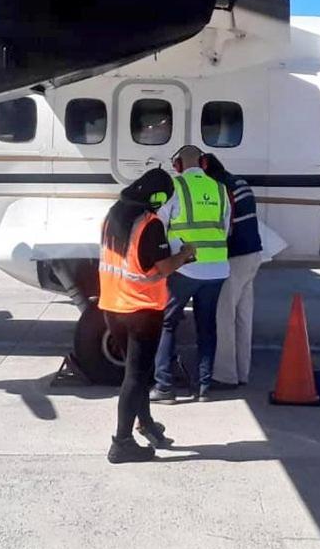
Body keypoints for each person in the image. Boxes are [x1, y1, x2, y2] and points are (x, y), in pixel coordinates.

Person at [98, 168, 196, 464]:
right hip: (142, 311)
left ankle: (146, 424)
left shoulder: (112, 216)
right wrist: (185, 254)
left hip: (112, 306)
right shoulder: (149, 224)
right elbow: (162, 268)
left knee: (136, 374)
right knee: (137, 376)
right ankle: (121, 442)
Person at [151, 145, 231, 403]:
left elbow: (158, 224)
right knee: (207, 327)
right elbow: (226, 228)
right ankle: (203, 387)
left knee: (167, 323)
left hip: (185, 267)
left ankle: (164, 386)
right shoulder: (219, 189)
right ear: (204, 163)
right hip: (217, 268)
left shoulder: (175, 187)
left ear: (177, 165)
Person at [202, 154, 263, 388]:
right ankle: (242, 372)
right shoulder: (240, 183)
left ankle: (225, 375)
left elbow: (225, 229)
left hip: (236, 258)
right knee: (243, 317)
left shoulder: (222, 189)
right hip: (254, 254)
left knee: (224, 316)